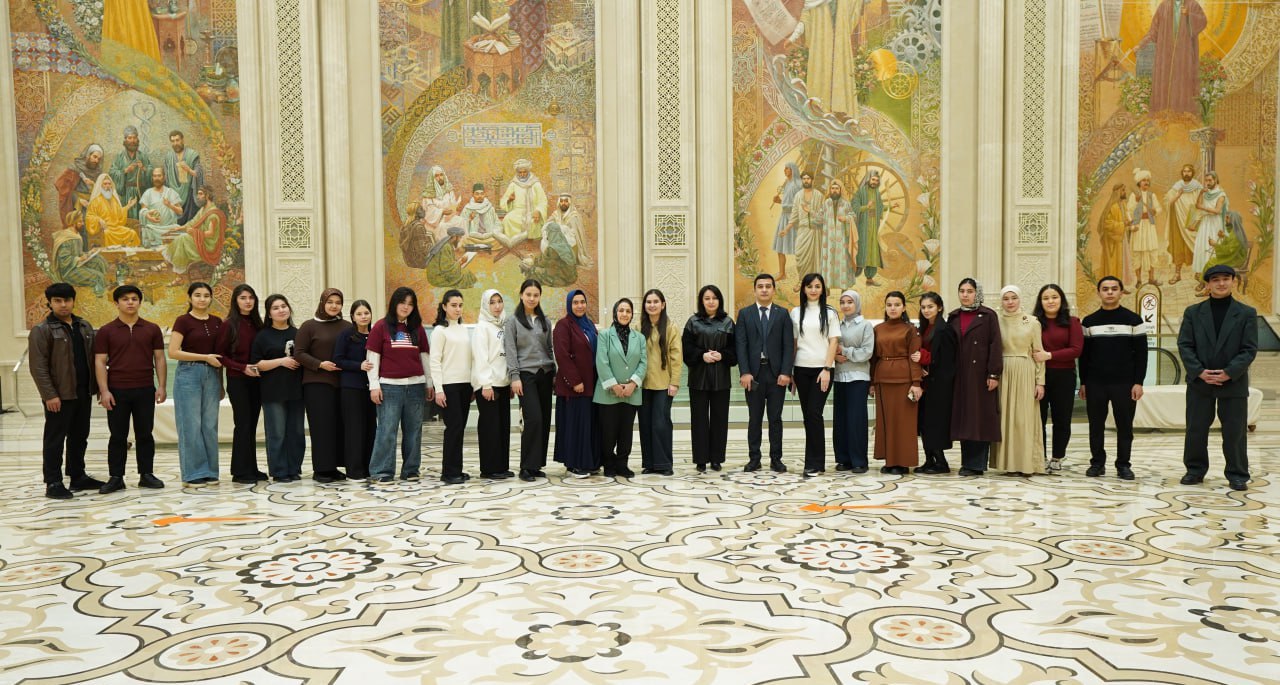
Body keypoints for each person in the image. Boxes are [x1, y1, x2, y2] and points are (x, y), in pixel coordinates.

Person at [1177, 265, 1257, 491]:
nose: (1221, 284)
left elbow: (1249, 349)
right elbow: (1185, 345)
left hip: (1233, 382)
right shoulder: (1193, 312)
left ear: (1233, 281)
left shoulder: (1246, 313)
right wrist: (1199, 371)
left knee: (1235, 431)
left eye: (1225, 279)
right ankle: (1194, 470)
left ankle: (1237, 473)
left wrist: (1228, 372)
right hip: (1200, 381)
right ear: (1208, 284)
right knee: (1196, 429)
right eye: (1215, 280)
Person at [29, 283, 105, 499]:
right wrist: (49, 395)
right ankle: (53, 482)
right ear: (50, 303)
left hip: (82, 392)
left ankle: (78, 475)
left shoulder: (84, 326)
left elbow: (93, 359)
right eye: (58, 301)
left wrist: (98, 387)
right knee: (55, 439)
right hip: (59, 395)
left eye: (67, 300)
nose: (63, 305)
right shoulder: (42, 330)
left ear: (73, 301)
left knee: (80, 436)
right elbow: (38, 367)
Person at [93, 285, 166, 493]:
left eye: (134, 298)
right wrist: (104, 390)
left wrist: (161, 386)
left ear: (140, 302)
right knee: (118, 435)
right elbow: (100, 362)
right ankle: (116, 477)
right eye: (125, 299)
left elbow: (159, 358)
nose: (130, 302)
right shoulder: (106, 331)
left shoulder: (152, 329)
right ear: (116, 303)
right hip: (117, 390)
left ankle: (146, 474)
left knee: (145, 434)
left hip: (144, 388)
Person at [1079, 276, 1147, 481]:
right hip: (1095, 383)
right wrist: (1083, 382)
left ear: (1121, 292)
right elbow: (1084, 356)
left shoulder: (1134, 320)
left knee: (1125, 426)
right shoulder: (1089, 322)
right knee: (1095, 425)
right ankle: (1097, 463)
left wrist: (1139, 382)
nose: (1109, 292)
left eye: (1114, 289)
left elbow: (1142, 354)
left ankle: (1123, 465)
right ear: (1099, 292)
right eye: (1105, 289)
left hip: (1125, 384)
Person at [367, 287, 434, 483]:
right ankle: (382, 471)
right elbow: (373, 358)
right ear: (394, 303)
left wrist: (429, 383)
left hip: (415, 387)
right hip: (389, 388)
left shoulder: (418, 328)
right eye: (402, 302)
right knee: (387, 430)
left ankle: (411, 470)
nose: (406, 307)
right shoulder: (380, 327)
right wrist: (374, 386)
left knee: (414, 431)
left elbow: (425, 358)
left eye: (410, 304)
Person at [736, 273, 795, 472]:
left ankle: (776, 458)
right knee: (754, 419)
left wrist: (786, 372)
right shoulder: (745, 314)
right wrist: (744, 372)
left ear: (773, 290)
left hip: (776, 374)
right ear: (754, 290)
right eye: (760, 286)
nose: (764, 289)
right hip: (753, 375)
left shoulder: (782, 313)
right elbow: (741, 345)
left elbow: (788, 346)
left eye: (768, 286)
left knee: (775, 419)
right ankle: (754, 458)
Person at [168, 282, 224, 485]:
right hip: (189, 373)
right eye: (198, 295)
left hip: (213, 374)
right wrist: (204, 357)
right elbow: (173, 352)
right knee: (191, 424)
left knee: (209, 425)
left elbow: (220, 355)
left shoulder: (218, 322)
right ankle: (193, 473)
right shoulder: (183, 321)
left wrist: (221, 383)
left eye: (206, 295)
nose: (202, 299)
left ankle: (211, 471)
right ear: (190, 297)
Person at [990, 285, 1047, 476]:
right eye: (1006, 298)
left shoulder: (1032, 322)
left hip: (1025, 371)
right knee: (1005, 418)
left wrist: (1040, 381)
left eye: (1013, 298)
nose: (1010, 302)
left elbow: (1038, 352)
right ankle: (1008, 464)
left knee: (1024, 419)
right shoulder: (995, 322)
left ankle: (1026, 463)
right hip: (1003, 371)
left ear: (1020, 299)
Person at [948, 278, 1002, 476]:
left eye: (969, 291)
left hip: (981, 376)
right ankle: (966, 462)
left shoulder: (988, 315)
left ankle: (977, 464)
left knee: (980, 418)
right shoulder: (953, 316)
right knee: (965, 419)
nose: (965, 295)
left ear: (976, 293)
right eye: (962, 290)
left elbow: (995, 345)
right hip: (960, 376)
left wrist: (994, 373)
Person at [295, 288, 348, 483]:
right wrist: (320, 364)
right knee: (321, 427)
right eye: (330, 302)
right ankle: (321, 470)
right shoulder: (309, 326)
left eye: (338, 302)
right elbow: (299, 353)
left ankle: (333, 467)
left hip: (341, 384)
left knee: (337, 426)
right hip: (316, 383)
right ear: (322, 303)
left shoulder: (346, 326)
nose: (334, 306)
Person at [505, 279, 556, 482]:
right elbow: (510, 350)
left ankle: (537, 465)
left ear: (540, 297)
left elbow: (550, 348)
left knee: (544, 420)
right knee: (533, 419)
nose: (532, 298)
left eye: (536, 295)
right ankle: (526, 466)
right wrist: (514, 376)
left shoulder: (546, 322)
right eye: (528, 295)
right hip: (526, 376)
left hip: (546, 374)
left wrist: (555, 373)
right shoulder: (513, 321)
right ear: (521, 295)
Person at [215, 284, 267, 484]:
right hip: (238, 381)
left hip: (256, 381)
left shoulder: (257, 324)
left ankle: (251, 468)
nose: (248, 301)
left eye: (251, 297)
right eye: (243, 298)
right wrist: (242, 367)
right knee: (243, 424)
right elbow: (221, 356)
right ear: (236, 301)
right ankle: (239, 471)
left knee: (252, 425)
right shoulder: (229, 324)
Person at [251, 294, 305, 482]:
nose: (281, 310)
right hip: (273, 392)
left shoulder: (298, 333)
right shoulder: (263, 336)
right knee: (277, 432)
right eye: (276, 308)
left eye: (284, 306)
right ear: (269, 313)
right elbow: (256, 364)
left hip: (297, 390)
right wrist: (281, 361)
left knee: (297, 432)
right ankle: (279, 470)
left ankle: (294, 468)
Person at [790, 273, 840, 477]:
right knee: (807, 416)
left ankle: (816, 462)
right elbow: (794, 344)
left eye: (817, 286)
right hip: (801, 369)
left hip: (822, 370)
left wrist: (827, 369)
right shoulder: (795, 312)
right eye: (809, 286)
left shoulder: (830, 313)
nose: (813, 290)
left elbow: (834, 342)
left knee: (814, 413)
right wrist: (791, 371)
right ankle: (811, 462)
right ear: (803, 289)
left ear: (823, 289)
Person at [685, 285, 737, 473]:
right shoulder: (693, 322)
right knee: (698, 420)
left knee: (719, 419)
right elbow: (687, 350)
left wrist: (722, 355)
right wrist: (702, 356)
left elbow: (735, 351)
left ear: (720, 300)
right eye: (707, 298)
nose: (711, 301)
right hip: (698, 379)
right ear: (701, 301)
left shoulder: (728, 322)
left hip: (721, 379)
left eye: (714, 298)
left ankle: (716, 459)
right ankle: (700, 459)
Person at [871, 291, 923, 474]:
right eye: (889, 305)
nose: (892, 308)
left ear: (904, 307)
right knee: (886, 422)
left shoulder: (911, 329)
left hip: (904, 379)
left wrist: (916, 382)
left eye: (897, 304)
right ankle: (890, 460)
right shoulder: (877, 329)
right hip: (882, 379)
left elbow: (915, 357)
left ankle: (903, 461)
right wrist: (871, 382)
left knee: (904, 423)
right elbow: (873, 358)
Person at [594, 298, 647, 478]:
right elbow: (601, 362)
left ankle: (623, 464)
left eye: (628, 311)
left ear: (632, 315)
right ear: (615, 312)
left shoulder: (639, 337)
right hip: (608, 393)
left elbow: (643, 362)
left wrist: (633, 384)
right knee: (608, 432)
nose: (624, 314)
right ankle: (608, 463)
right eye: (621, 310)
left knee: (626, 431)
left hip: (631, 393)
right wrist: (614, 385)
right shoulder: (604, 335)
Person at [1034, 284, 1083, 472]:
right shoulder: (1034, 322)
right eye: (1046, 298)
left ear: (1061, 299)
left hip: (1064, 376)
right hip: (1038, 377)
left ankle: (1057, 457)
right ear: (1040, 302)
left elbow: (1076, 350)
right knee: (1038, 419)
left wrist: (1050, 356)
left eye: (1054, 297)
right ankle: (1040, 456)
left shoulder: (1072, 322)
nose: (1050, 301)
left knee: (1061, 419)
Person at [431, 290, 475, 485]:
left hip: (465, 386)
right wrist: (438, 389)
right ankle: (448, 473)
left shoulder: (463, 329)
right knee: (454, 428)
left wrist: (473, 385)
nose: (457, 309)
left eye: (460, 305)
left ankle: (457, 469)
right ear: (444, 307)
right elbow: (434, 361)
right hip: (448, 386)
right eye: (453, 305)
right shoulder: (440, 331)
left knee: (460, 429)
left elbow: (469, 359)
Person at [554, 289, 599, 477]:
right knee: (574, 426)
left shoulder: (588, 325)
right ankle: (574, 464)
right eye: (575, 302)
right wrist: (575, 381)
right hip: (574, 388)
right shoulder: (563, 325)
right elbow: (562, 355)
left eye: (582, 302)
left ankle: (589, 462)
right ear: (569, 305)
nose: (580, 306)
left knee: (588, 425)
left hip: (591, 385)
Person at [1137, 0, 1207, 116]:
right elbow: (1154, 30)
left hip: (1184, 52)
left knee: (1183, 78)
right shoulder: (1163, 6)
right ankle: (1163, 112)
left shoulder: (1192, 4)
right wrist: (1141, 44)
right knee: (1165, 77)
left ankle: (1183, 113)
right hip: (1166, 52)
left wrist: (1189, 15)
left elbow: (1203, 21)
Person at [638, 289, 681, 476]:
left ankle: (664, 464)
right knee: (645, 424)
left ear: (663, 304)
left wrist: (675, 383)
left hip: (664, 385)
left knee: (660, 423)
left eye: (656, 301)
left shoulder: (671, 327)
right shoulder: (638, 327)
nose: (652, 305)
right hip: (642, 385)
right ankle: (649, 463)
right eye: (648, 302)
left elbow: (676, 357)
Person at [333, 300, 377, 480]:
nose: (363, 316)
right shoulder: (346, 335)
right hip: (351, 388)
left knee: (370, 428)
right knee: (354, 429)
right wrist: (358, 366)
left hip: (371, 389)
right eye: (359, 314)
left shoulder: (375, 334)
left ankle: (368, 467)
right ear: (352, 317)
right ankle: (354, 469)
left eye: (366, 313)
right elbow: (338, 360)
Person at [472, 289, 513, 479]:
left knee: (503, 426)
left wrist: (510, 381)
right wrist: (486, 384)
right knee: (491, 427)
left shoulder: (503, 326)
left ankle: (501, 466)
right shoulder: (482, 327)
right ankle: (489, 469)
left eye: (499, 301)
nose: (497, 306)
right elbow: (481, 357)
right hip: (488, 385)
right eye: (492, 302)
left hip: (503, 384)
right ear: (486, 305)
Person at [833, 290, 874, 473]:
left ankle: (859, 460)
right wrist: (835, 355)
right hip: (839, 376)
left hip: (858, 376)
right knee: (841, 419)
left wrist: (845, 352)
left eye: (850, 302)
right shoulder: (836, 325)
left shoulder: (865, 325)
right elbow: (831, 347)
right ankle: (843, 459)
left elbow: (866, 352)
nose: (846, 305)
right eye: (843, 302)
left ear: (857, 303)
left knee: (856, 420)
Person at [916, 292, 956, 474]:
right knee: (924, 422)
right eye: (923, 307)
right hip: (926, 383)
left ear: (939, 307)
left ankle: (941, 462)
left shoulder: (944, 329)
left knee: (935, 423)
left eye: (930, 307)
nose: (926, 310)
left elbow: (947, 360)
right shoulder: (925, 328)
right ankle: (929, 460)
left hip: (939, 385)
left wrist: (926, 363)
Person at [163, 188, 227, 276]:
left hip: (208, 245)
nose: (198, 197)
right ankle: (166, 263)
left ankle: (178, 276)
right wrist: (179, 228)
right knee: (180, 237)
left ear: (207, 196)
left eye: (200, 194)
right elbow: (193, 222)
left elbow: (210, 233)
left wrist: (194, 232)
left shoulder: (213, 214)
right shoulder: (202, 210)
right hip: (201, 240)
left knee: (183, 238)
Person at [50, 211, 109, 296]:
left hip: (78, 265)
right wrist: (79, 259)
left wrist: (90, 253)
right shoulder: (66, 238)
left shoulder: (76, 235)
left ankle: (101, 286)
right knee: (98, 277)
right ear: (74, 223)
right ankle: (99, 295)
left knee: (99, 261)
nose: (83, 224)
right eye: (80, 221)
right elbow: (64, 260)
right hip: (69, 271)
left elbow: (79, 253)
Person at [780, 173, 824, 281]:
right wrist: (786, 229)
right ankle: (802, 280)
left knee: (815, 257)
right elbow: (794, 215)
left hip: (815, 230)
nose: (806, 181)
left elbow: (823, 215)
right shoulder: (798, 196)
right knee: (800, 255)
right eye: (804, 179)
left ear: (812, 180)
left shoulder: (819, 195)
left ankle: (816, 281)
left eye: (808, 178)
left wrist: (811, 211)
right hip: (803, 230)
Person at [1164, 164, 1201, 285]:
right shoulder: (1177, 187)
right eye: (1184, 171)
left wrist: (1196, 217)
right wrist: (1178, 195)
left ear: (1192, 173)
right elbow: (1168, 202)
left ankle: (1199, 273)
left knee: (1196, 246)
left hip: (1192, 220)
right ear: (1182, 173)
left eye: (1189, 171)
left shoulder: (1197, 186)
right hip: (1179, 221)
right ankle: (1177, 274)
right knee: (1178, 247)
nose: (1186, 174)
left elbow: (1202, 202)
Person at [1193, 171, 1229, 290]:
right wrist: (1200, 193)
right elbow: (1197, 205)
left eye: (1210, 180)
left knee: (1212, 251)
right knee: (1202, 248)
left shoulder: (1221, 194)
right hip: (1205, 223)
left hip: (1215, 224)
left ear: (1215, 180)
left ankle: (1213, 281)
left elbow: (1217, 211)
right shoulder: (1206, 192)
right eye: (1206, 180)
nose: (1207, 182)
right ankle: (1202, 281)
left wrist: (1204, 208)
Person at [500, 158, 548, 247]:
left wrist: (538, 210)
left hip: (532, 210)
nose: (522, 174)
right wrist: (509, 200)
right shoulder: (513, 184)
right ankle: (514, 243)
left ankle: (529, 241)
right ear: (517, 173)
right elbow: (503, 200)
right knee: (507, 219)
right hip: (517, 211)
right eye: (520, 172)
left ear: (528, 171)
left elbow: (543, 200)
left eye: (524, 172)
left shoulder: (535, 183)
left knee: (531, 221)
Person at [56, 143, 104, 229]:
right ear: (88, 155)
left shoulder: (98, 172)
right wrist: (78, 200)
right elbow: (62, 187)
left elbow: (101, 191)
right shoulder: (75, 168)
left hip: (92, 205)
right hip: (76, 206)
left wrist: (93, 184)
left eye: (99, 159)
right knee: (82, 228)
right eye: (94, 157)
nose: (96, 161)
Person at [853, 171, 889, 286]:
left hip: (874, 227)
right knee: (861, 250)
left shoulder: (877, 193)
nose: (875, 182)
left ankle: (869, 278)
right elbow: (854, 207)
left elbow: (880, 207)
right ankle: (852, 277)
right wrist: (866, 207)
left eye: (877, 180)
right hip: (862, 227)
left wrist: (890, 207)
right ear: (868, 179)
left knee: (873, 252)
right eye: (873, 180)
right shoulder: (860, 192)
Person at [1128, 169, 1162, 288]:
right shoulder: (1134, 195)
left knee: (1152, 252)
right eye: (1143, 180)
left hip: (1149, 226)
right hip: (1138, 226)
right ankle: (1138, 280)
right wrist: (1137, 203)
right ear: (1139, 182)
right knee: (1137, 252)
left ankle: (1151, 278)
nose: (1146, 182)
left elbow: (1158, 209)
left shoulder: (1152, 195)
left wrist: (1155, 211)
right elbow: (1129, 211)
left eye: (1147, 180)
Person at [85, 174, 140, 247]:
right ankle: (110, 256)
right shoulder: (95, 201)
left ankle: (131, 255)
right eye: (105, 184)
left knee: (132, 233)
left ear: (111, 186)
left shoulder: (114, 200)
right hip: (106, 229)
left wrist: (128, 206)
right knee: (107, 234)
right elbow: (89, 216)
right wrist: (98, 219)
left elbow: (119, 214)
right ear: (101, 186)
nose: (107, 186)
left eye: (109, 184)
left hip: (117, 227)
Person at [821, 180, 857, 290]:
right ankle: (827, 287)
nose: (835, 191)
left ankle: (844, 287)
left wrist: (846, 218)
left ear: (840, 190)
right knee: (828, 260)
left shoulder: (845, 203)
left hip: (842, 238)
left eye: (837, 188)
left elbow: (853, 215)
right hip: (828, 238)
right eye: (833, 188)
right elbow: (820, 216)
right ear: (830, 190)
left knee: (842, 260)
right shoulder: (826, 203)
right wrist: (809, 213)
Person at [519, 220, 578, 286]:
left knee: (534, 270)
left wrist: (533, 259)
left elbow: (542, 264)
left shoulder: (552, 248)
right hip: (572, 277)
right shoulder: (567, 245)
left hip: (563, 278)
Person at [109, 126, 149, 221]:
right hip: (125, 192)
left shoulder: (142, 156)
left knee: (140, 218)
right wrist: (125, 171)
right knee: (125, 217)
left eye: (134, 138)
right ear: (125, 140)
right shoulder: (119, 157)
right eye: (130, 138)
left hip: (140, 191)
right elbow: (112, 172)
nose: (132, 141)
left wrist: (143, 168)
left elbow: (150, 171)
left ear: (137, 139)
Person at [1097, 183, 1132, 293]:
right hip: (1112, 241)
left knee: (1122, 263)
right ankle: (1111, 287)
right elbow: (1107, 224)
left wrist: (1128, 224)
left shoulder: (1122, 205)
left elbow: (1126, 220)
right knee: (1113, 264)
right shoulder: (1113, 207)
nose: (1124, 192)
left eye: (1124, 190)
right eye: (1122, 190)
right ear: (1117, 192)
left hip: (1121, 239)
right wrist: (1123, 224)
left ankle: (1119, 286)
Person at [163, 130, 203, 223]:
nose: (175, 143)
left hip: (189, 193)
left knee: (190, 223)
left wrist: (189, 170)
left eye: (177, 140)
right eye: (173, 141)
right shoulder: (168, 157)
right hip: (173, 195)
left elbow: (198, 173)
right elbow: (166, 178)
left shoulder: (192, 155)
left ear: (182, 140)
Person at [771, 162, 802, 281]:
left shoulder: (798, 184)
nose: (785, 170)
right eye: (784, 168)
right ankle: (782, 273)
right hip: (784, 217)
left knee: (798, 248)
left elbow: (797, 204)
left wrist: (781, 202)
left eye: (787, 168)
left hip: (794, 218)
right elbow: (786, 202)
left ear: (793, 170)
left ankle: (802, 276)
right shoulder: (787, 184)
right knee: (780, 246)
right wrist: (779, 201)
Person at [138, 167, 183, 248]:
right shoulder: (148, 193)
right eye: (154, 176)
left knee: (178, 230)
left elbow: (180, 211)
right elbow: (143, 210)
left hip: (169, 228)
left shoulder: (171, 192)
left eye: (159, 176)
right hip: (153, 228)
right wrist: (149, 217)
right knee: (147, 229)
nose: (156, 178)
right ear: (152, 178)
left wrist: (170, 205)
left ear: (164, 177)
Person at [547, 193, 593, 268]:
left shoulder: (574, 216)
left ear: (569, 203)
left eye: (566, 201)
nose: (563, 203)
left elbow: (575, 234)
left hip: (570, 242)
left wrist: (562, 231)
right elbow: (548, 224)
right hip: (557, 239)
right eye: (561, 201)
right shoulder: (556, 214)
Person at [420, 166, 464, 239]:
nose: (440, 178)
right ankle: (445, 248)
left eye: (441, 175)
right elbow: (429, 212)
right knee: (443, 226)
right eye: (436, 176)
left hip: (448, 218)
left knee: (460, 220)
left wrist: (456, 207)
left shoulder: (449, 190)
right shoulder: (428, 195)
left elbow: (453, 205)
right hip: (435, 223)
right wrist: (442, 212)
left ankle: (460, 246)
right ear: (432, 179)